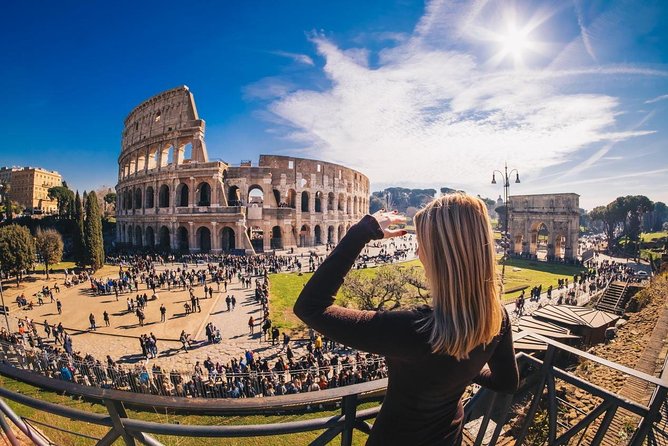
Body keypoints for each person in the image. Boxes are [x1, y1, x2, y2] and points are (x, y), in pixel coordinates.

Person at [293, 195, 519, 446]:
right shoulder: (498, 318)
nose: (418, 251)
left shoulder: (413, 329)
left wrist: (361, 233)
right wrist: (461, 371)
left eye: (422, 244)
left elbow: (310, 307)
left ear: (440, 255)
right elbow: (506, 382)